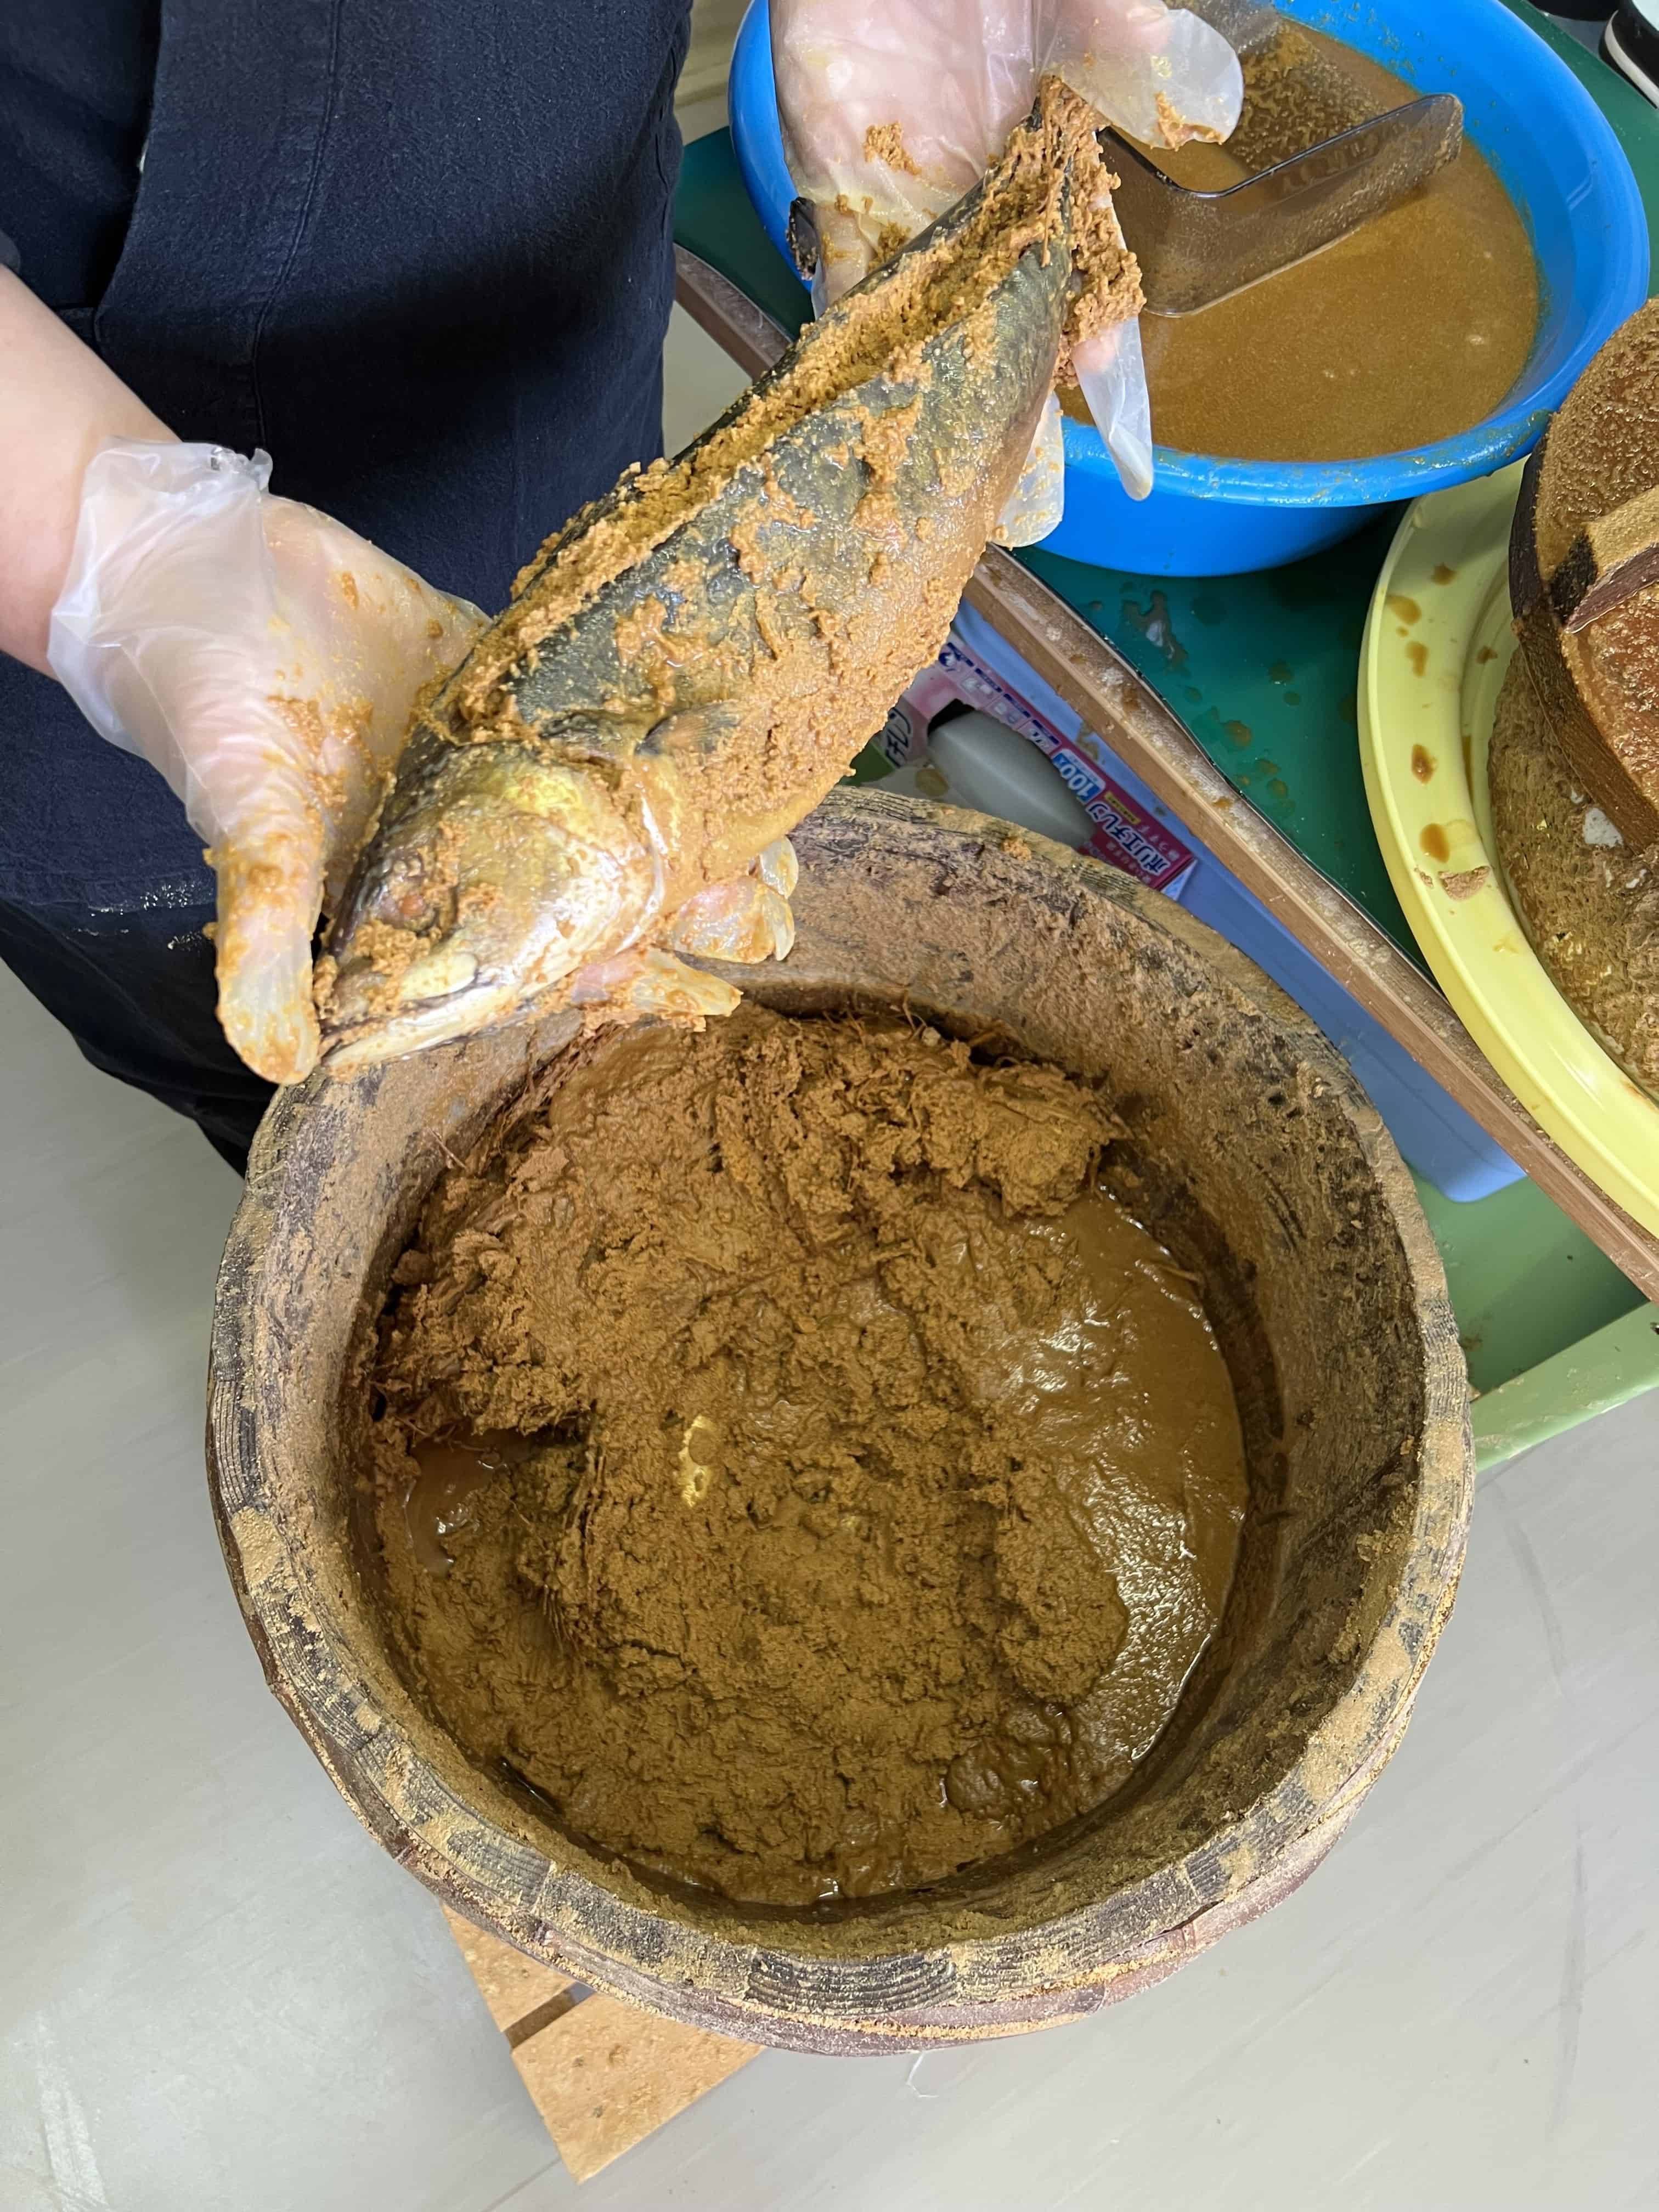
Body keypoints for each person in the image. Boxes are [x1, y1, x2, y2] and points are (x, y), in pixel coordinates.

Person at [0, 0, 1235, 1171]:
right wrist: (108, 544)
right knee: (245, 1037)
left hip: (543, 200)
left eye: (427, 910)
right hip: (65, 452)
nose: (393, 951)